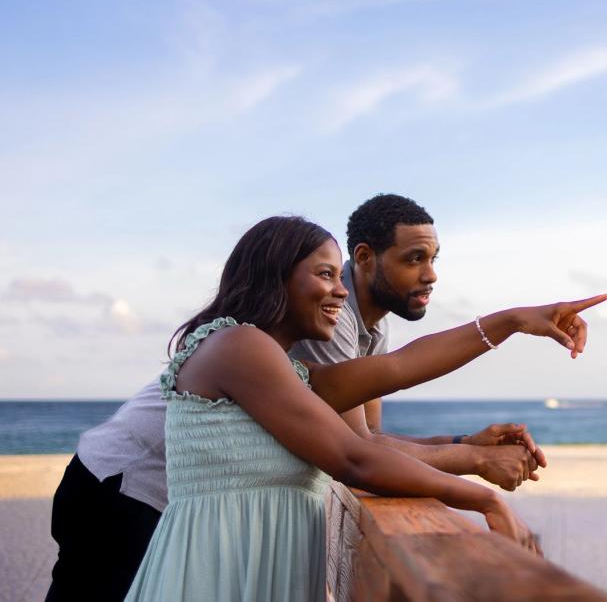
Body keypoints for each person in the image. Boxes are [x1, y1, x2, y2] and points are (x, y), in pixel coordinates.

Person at [46, 197, 543, 602]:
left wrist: (512, 322)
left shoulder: (293, 371)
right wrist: (481, 492)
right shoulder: (242, 346)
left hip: (224, 535)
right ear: (276, 276)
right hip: (125, 490)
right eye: (325, 275)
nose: (340, 291)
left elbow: (396, 375)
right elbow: (354, 456)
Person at [291, 194, 546, 491]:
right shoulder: (331, 315)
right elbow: (360, 445)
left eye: (433, 258)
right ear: (364, 257)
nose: (431, 275)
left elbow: (372, 433)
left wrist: (463, 442)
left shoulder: (376, 324)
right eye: (415, 258)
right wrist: (476, 460)